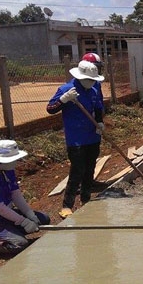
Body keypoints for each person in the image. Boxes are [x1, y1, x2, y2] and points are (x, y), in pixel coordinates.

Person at [0, 140, 51, 261]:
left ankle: (8, 235)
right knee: (20, 244)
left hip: (5, 215)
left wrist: (29, 214)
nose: (16, 162)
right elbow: (0, 208)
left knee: (44, 219)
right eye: (13, 159)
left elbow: (15, 194)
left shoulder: (7, 171)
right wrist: (23, 222)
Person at [47, 61, 105, 219]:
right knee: (77, 170)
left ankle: (86, 199)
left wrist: (99, 122)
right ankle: (67, 205)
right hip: (76, 138)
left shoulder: (93, 89)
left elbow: (98, 107)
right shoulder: (66, 90)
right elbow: (50, 109)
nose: (91, 82)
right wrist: (63, 100)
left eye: (93, 80)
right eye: (89, 79)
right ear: (80, 77)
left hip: (92, 135)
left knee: (90, 168)